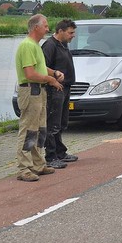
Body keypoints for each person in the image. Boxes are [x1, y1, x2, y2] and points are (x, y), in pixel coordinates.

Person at [15, 14, 64, 182]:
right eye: (45, 25)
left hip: (39, 91)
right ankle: (24, 168)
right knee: (28, 130)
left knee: (40, 130)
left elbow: (40, 68)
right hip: (31, 91)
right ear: (36, 27)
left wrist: (54, 73)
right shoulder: (27, 46)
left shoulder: (36, 46)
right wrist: (51, 80)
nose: (48, 29)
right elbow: (30, 73)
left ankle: (37, 164)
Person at [42, 19, 79, 169]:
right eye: (70, 33)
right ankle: (50, 156)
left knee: (62, 122)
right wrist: (53, 80)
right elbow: (42, 66)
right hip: (55, 89)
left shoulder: (63, 45)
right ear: (60, 31)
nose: (73, 36)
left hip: (65, 88)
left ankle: (60, 152)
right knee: (53, 124)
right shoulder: (50, 45)